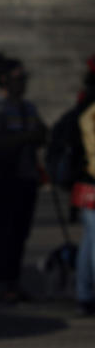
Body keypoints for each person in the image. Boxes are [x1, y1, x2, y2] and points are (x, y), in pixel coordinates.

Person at [0, 52, 47, 303]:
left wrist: (31, 137)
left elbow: (43, 133)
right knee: (3, 234)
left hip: (26, 179)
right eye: (19, 78)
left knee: (20, 234)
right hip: (4, 180)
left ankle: (13, 282)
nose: (24, 82)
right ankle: (1, 284)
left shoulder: (29, 107)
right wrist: (27, 138)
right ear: (5, 80)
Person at [72, 56, 95, 316]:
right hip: (92, 180)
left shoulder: (84, 104)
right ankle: (86, 292)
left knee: (90, 240)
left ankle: (84, 292)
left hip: (87, 181)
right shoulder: (90, 110)